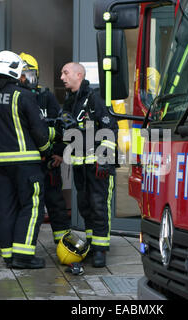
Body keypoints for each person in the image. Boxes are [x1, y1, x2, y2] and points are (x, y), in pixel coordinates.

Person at [0, 50, 50, 269]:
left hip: (0, 165)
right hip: (26, 163)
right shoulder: (24, 96)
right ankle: (24, 255)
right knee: (32, 206)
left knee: (6, 208)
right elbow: (40, 132)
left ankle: (9, 255)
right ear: (13, 69)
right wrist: (47, 148)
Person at [60, 62, 118, 268]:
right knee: (85, 207)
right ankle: (93, 244)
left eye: (65, 73)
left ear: (79, 74)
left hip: (97, 166)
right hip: (80, 166)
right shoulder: (69, 102)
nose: (62, 77)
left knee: (99, 207)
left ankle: (101, 250)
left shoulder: (94, 98)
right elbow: (70, 137)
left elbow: (110, 129)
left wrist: (104, 160)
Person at [18, 52, 71, 244]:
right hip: (26, 162)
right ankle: (23, 244)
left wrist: (57, 152)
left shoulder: (45, 96)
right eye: (22, 74)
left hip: (48, 162)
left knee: (55, 203)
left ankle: (64, 243)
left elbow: (61, 126)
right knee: (28, 206)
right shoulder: (15, 97)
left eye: (29, 74)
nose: (26, 79)